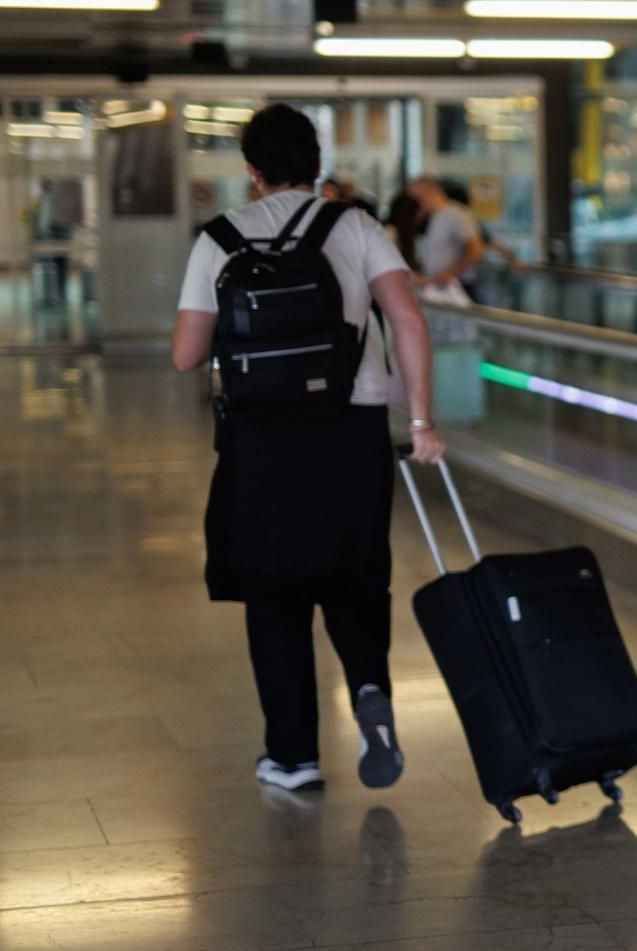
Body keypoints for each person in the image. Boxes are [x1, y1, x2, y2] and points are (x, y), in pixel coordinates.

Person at [170, 104, 445, 794]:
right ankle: (372, 690)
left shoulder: (220, 238)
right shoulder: (355, 227)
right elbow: (407, 318)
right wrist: (421, 422)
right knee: (356, 577)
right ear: (317, 163)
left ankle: (292, 756)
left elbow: (185, 355)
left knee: (273, 592)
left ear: (253, 170)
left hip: (260, 440)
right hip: (350, 430)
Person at [408, 175, 487, 302]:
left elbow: (476, 249)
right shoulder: (434, 217)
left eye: (417, 199)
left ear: (428, 193)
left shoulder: (457, 214)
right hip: (438, 287)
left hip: (457, 287)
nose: (417, 204)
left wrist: (450, 273)